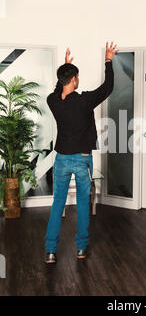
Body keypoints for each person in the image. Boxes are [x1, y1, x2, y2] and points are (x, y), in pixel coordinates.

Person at [45, 42, 119, 264]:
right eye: (76, 77)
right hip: (81, 159)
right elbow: (108, 87)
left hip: (60, 159)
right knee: (83, 204)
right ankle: (81, 249)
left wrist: (66, 68)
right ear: (75, 79)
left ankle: (50, 251)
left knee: (58, 203)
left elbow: (59, 90)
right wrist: (108, 61)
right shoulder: (85, 100)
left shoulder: (53, 101)